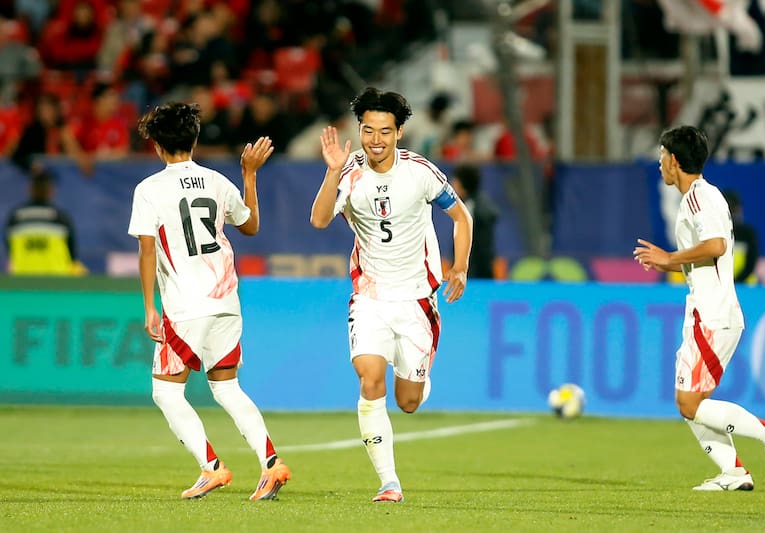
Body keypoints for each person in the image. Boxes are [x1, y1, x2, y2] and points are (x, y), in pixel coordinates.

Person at [310, 87, 473, 503]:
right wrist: (332, 172)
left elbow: (461, 217)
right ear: (360, 131)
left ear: (399, 132)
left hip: (417, 300)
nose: (375, 140)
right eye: (368, 131)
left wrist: (460, 265)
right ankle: (389, 483)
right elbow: (319, 219)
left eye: (384, 131)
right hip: (369, 297)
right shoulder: (350, 173)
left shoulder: (421, 172)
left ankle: (419, 378)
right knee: (369, 379)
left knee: (409, 402)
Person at [128, 102, 291, 501]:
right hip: (226, 300)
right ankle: (271, 464)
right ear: (195, 139)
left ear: (157, 146)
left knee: (166, 392)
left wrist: (150, 306)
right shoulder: (217, 181)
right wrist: (249, 175)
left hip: (185, 305)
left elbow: (147, 251)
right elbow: (250, 225)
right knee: (227, 387)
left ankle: (211, 468)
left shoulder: (149, 189)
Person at [633, 125, 765, 491]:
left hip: (712, 314)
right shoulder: (705, 196)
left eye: (661, 156)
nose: (659, 164)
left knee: (689, 402)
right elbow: (705, 257)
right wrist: (667, 263)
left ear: (674, 160)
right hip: (709, 312)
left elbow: (717, 245)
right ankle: (734, 473)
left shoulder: (697, 199)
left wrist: (671, 255)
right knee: (689, 399)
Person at [4, 167, 84, 275]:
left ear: (30, 190)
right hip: (56, 284)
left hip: (23, 283)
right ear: (51, 191)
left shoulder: (14, 218)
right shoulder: (61, 218)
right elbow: (72, 257)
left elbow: (9, 251)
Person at [451, 164, 497, 279]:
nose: (452, 185)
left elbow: (478, 245)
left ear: (462, 184)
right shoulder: (481, 202)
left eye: (455, 181)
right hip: (479, 270)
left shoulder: (471, 207)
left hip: (474, 273)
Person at [723, 189, 759, 283]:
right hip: (720, 283)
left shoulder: (748, 233)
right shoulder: (714, 232)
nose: (733, 214)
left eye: (735, 209)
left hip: (744, 282)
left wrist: (737, 281)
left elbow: (751, 263)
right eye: (730, 209)